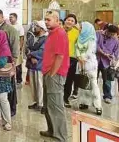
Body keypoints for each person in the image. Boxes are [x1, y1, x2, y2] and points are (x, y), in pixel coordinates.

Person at [40, 10, 69, 142]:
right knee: (48, 105)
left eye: (49, 19)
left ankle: (60, 136)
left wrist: (52, 74)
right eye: (45, 19)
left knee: (56, 105)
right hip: (48, 72)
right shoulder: (51, 33)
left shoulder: (60, 33)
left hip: (55, 74)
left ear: (57, 21)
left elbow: (60, 56)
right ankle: (52, 130)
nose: (46, 22)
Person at [0, 9, 20, 116]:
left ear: (2, 17)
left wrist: (13, 63)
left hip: (6, 63)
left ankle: (11, 109)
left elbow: (15, 47)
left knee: (9, 88)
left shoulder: (10, 29)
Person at [76, 22, 102, 115]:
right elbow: (77, 49)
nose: (80, 29)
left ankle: (98, 106)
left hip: (90, 65)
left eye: (81, 27)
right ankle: (84, 102)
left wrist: (82, 58)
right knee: (83, 84)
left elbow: (90, 52)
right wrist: (79, 57)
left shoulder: (91, 39)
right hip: (81, 65)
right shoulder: (80, 38)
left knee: (93, 85)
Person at [27, 21, 48, 111]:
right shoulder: (33, 37)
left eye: (37, 26)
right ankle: (36, 101)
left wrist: (31, 54)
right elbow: (27, 47)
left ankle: (41, 103)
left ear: (42, 29)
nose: (35, 28)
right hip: (32, 65)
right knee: (33, 85)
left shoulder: (46, 38)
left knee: (40, 85)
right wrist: (31, 56)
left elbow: (42, 51)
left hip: (40, 65)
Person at [96, 24, 119, 104]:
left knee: (107, 80)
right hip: (96, 60)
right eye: (111, 34)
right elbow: (95, 45)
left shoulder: (115, 40)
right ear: (107, 31)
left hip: (107, 63)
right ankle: (93, 95)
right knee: (93, 80)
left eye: (114, 34)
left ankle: (107, 96)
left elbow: (116, 52)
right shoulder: (98, 34)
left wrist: (113, 58)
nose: (112, 36)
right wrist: (104, 54)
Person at [63, 14, 80, 108]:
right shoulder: (59, 29)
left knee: (69, 80)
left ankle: (65, 98)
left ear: (75, 23)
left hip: (72, 58)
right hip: (59, 57)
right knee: (59, 79)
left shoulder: (76, 32)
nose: (69, 22)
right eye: (68, 20)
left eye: (72, 21)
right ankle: (58, 98)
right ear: (65, 20)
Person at [9, 13, 24, 85]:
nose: (10, 18)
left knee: (18, 65)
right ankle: (11, 80)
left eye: (11, 17)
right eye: (10, 17)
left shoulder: (19, 26)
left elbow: (22, 38)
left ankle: (19, 80)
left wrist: (20, 48)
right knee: (10, 65)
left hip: (17, 48)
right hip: (9, 48)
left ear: (16, 18)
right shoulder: (8, 26)